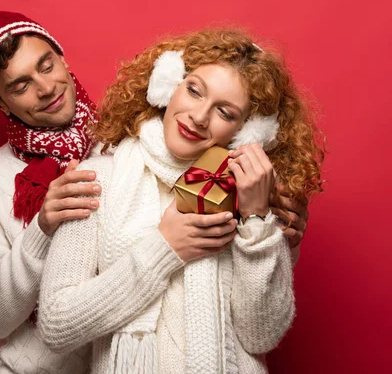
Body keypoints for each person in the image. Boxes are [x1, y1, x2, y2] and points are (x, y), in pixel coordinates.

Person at [38, 28, 324, 373]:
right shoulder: (99, 179)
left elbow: (261, 336)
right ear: (167, 84)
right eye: (194, 91)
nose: (199, 116)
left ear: (249, 133)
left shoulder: (255, 200)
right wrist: (165, 249)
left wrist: (256, 219)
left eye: (226, 113)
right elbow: (55, 324)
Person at [0, 6, 102, 373]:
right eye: (21, 85)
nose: (46, 88)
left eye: (46, 66)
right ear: (1, 103)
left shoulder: (122, 143)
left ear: (62, 58)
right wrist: (42, 229)